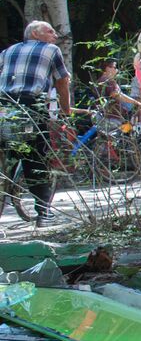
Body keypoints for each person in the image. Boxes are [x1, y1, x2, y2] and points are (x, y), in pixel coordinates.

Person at [0, 21, 72, 221]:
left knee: (7, 146)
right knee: (36, 158)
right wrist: (66, 111)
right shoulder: (51, 50)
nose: (55, 36)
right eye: (50, 31)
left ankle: (8, 176)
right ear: (35, 34)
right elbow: (62, 81)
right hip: (30, 105)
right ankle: (43, 212)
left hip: (3, 105)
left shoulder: (8, 51)